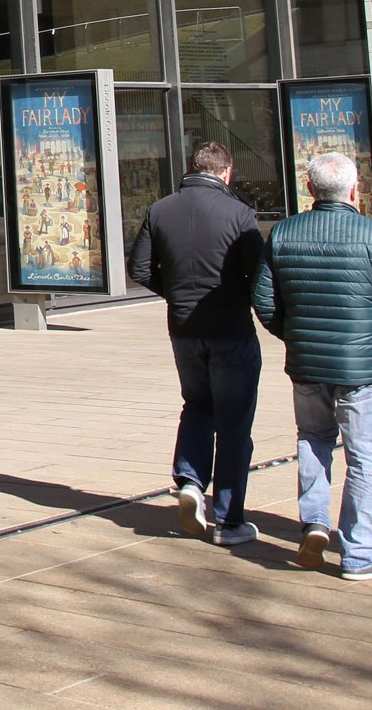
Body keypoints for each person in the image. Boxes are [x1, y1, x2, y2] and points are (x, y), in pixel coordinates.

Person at [254, 150, 372, 580]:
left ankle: (314, 522)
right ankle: (360, 553)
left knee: (312, 438)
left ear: (310, 189)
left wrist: (293, 335)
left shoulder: (284, 233)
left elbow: (263, 299)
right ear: (355, 189)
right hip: (361, 366)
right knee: (365, 456)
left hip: (307, 364)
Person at [129, 141, 265, 547]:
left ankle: (189, 482)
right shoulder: (239, 213)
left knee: (197, 404)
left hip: (183, 327)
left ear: (194, 167)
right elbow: (258, 273)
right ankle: (229, 519)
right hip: (231, 328)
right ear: (226, 173)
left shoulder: (161, 209)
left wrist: (174, 291)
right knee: (235, 422)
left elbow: (138, 268)